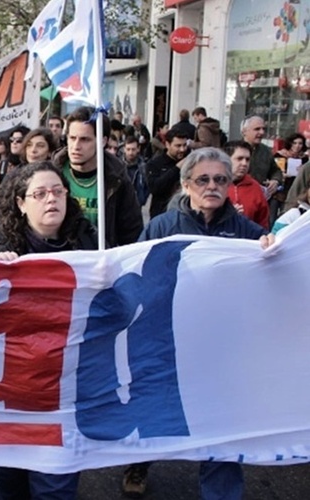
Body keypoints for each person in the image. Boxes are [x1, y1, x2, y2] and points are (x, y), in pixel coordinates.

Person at [127, 147, 274, 500]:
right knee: (156, 412)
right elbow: (133, 273)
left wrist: (272, 250)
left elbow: (271, 276)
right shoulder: (162, 228)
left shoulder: (246, 232)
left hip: (222, 350)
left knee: (222, 428)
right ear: (186, 183)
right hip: (168, 344)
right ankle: (138, 463)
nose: (212, 186)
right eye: (203, 179)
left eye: (221, 179)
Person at [0, 161, 97, 499]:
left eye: (57, 191)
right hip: (9, 387)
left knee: (55, 481)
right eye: (39, 193)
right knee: (11, 481)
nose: (50, 199)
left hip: (64, 385)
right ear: (21, 203)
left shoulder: (88, 241)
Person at [55, 106, 143, 247]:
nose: (76, 146)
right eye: (72, 138)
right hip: (62, 259)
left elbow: (132, 232)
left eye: (85, 139)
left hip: (101, 260)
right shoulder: (53, 173)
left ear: (102, 141)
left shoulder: (117, 178)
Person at [241, 116, 282, 224]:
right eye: (257, 129)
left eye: (263, 129)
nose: (261, 132)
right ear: (244, 131)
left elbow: (276, 170)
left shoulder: (265, 151)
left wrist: (275, 181)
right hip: (241, 200)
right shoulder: (234, 149)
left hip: (261, 201)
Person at [0, 126, 30, 221]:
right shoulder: (1, 165)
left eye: (19, 140)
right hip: (5, 218)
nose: (14, 143)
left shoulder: (33, 166)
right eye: (12, 140)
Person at [145, 128, 190, 219]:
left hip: (185, 213)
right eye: (178, 146)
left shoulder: (189, 162)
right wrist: (177, 168)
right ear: (167, 145)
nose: (182, 149)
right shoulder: (155, 164)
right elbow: (155, 187)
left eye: (184, 145)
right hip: (162, 214)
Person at [224, 140, 269, 228]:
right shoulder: (214, 185)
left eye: (247, 159)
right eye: (239, 159)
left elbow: (263, 223)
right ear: (226, 160)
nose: (244, 163)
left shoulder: (256, 188)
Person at [122, 136, 149, 207]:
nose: (130, 152)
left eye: (133, 149)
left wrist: (142, 199)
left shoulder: (143, 167)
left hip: (137, 204)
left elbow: (147, 185)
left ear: (138, 149)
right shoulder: (119, 165)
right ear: (124, 149)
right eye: (128, 149)